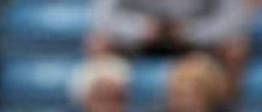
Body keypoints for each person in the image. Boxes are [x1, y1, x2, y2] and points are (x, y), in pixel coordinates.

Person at [88, 0, 250, 70]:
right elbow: (103, 17)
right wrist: (141, 28)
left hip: (195, 43)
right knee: (98, 44)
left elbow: (233, 19)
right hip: (140, 42)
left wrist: (191, 32)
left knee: (235, 49)